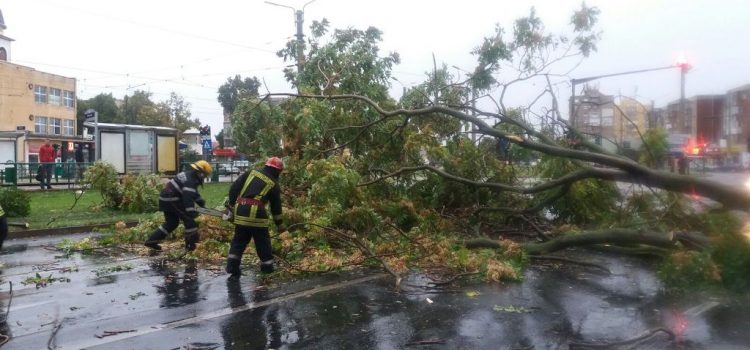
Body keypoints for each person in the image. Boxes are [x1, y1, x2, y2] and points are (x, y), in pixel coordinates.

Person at [225, 157, 287, 279]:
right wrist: (280, 224)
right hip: (256, 214)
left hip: (240, 210)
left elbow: (234, 188)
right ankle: (267, 268)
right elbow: (276, 207)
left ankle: (232, 268)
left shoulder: (250, 173)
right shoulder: (273, 183)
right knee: (262, 242)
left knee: (238, 241)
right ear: (277, 171)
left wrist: (231, 206)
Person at [144, 160, 213, 252]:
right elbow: (187, 198)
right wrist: (191, 212)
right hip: (172, 200)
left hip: (166, 199)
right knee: (190, 222)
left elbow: (193, 194)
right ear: (200, 173)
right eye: (205, 175)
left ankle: (151, 241)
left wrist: (202, 204)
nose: (204, 177)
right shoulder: (191, 180)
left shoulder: (190, 175)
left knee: (171, 223)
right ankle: (191, 247)